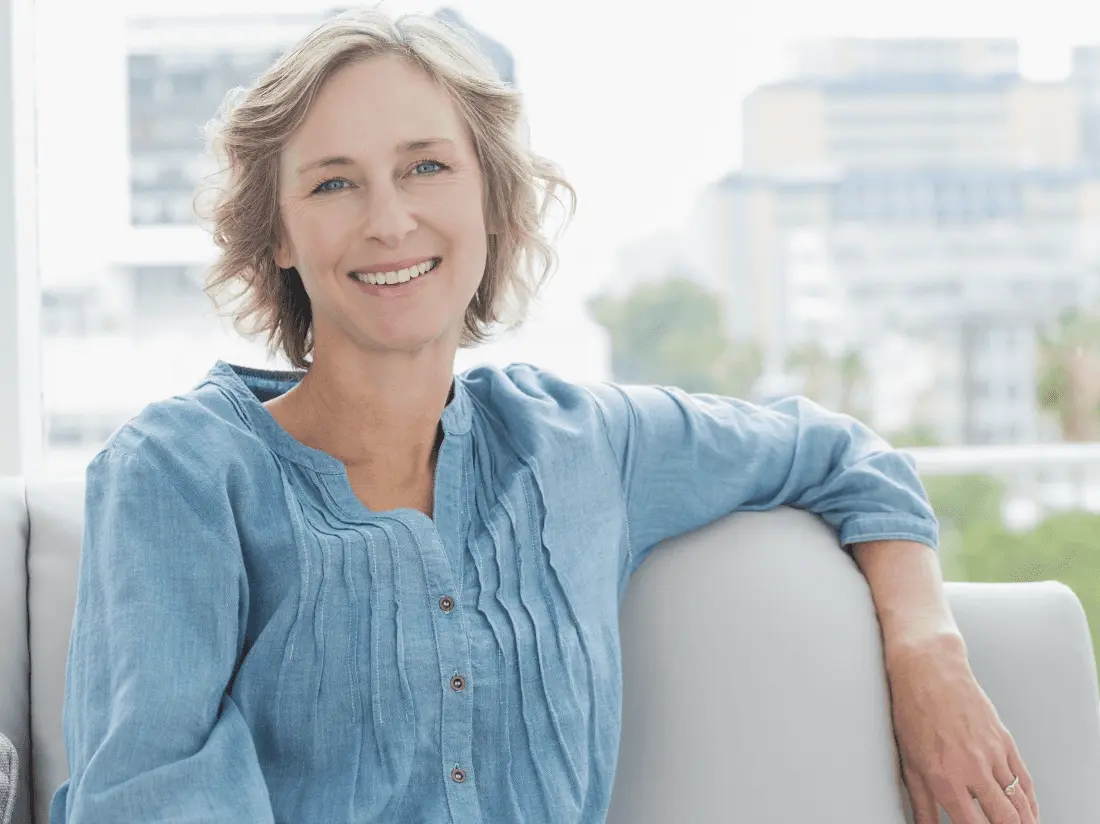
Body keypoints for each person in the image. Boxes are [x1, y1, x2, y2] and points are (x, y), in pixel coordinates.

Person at [51, 7, 1041, 824]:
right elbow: (145, 798)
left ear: (493, 205)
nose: (388, 218)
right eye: (333, 182)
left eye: (426, 166)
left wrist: (925, 652)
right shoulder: (177, 473)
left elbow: (842, 454)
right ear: (277, 235)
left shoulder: (580, 444)